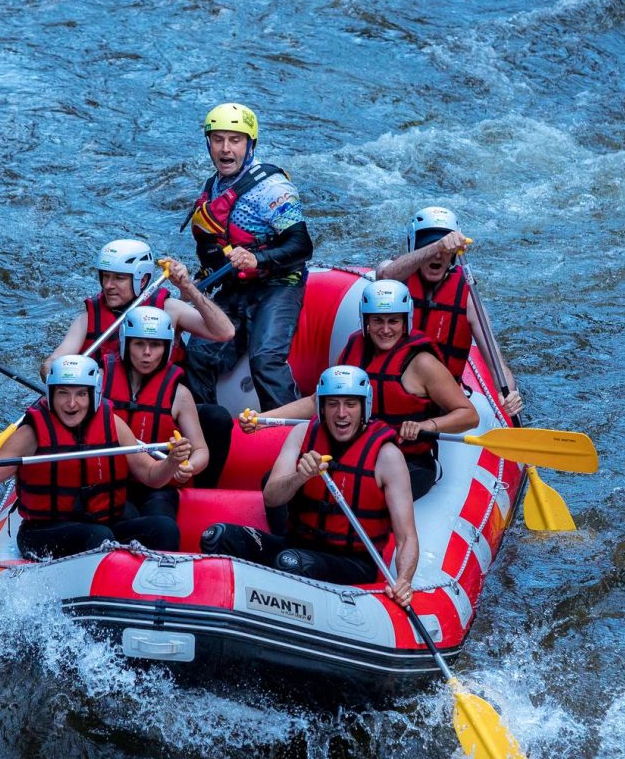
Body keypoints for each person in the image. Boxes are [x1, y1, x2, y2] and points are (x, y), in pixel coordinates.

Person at [200, 366, 417, 604]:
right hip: (296, 545)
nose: (341, 413)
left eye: (350, 404)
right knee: (216, 536)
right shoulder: (302, 433)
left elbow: (406, 537)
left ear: (364, 406)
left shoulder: (387, 456)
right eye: (332, 404)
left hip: (352, 562)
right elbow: (272, 497)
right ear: (321, 407)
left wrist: (404, 580)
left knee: (290, 562)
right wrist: (300, 477)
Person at [246, 280, 479, 499]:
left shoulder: (422, 363)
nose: (386, 330)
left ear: (405, 320)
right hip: (354, 453)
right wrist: (263, 419)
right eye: (378, 320)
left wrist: (425, 426)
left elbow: (468, 415)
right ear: (366, 320)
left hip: (408, 462)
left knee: (358, 492)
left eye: (393, 321)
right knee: (277, 484)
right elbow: (317, 401)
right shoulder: (353, 348)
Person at [0, 354, 193, 560]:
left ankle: (151, 590)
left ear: (93, 395)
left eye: (81, 394)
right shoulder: (30, 434)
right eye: (63, 393)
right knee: (99, 536)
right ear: (51, 395)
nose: (71, 403)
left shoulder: (113, 424)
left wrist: (171, 461)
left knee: (164, 528)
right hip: (42, 533)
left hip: (100, 524)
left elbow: (152, 476)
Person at [182, 102, 313, 409]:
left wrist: (259, 259)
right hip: (235, 286)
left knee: (265, 360)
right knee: (199, 356)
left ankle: (289, 435)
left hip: (279, 283)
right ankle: (209, 431)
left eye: (235, 140)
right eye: (218, 139)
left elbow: (302, 246)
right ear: (209, 143)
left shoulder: (272, 188)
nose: (225, 149)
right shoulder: (213, 185)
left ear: (250, 143)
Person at [375, 206, 523, 415]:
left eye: (446, 250)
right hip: (391, 390)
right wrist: (437, 246)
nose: (438, 256)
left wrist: (510, 393)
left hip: (440, 402)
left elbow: (496, 360)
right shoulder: (396, 272)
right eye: (430, 247)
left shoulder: (467, 295)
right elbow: (384, 276)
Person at [100, 306, 232, 514]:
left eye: (155, 345)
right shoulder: (99, 382)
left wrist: (189, 466)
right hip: (107, 480)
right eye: (139, 344)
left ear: (167, 348)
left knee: (162, 525)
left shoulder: (179, 394)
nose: (147, 353)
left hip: (159, 483)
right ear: (126, 343)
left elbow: (201, 450)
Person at [42, 242, 234, 376]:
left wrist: (188, 289)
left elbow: (225, 332)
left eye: (119, 278)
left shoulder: (170, 310)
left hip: (164, 408)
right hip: (112, 412)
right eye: (106, 276)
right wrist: (69, 376)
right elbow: (51, 363)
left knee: (216, 418)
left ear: (142, 280)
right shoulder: (87, 320)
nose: (108, 285)